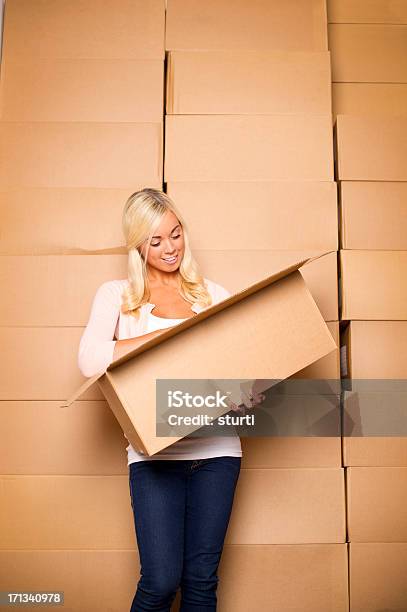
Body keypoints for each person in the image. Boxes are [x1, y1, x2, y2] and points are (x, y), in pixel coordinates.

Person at [77, 188, 265, 611]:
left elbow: (246, 366)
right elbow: (90, 360)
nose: (169, 248)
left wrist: (247, 392)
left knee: (200, 583)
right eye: (155, 241)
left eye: (175, 234)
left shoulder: (211, 295)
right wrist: (167, 337)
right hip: (153, 457)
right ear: (137, 244)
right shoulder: (117, 297)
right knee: (160, 582)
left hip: (217, 453)